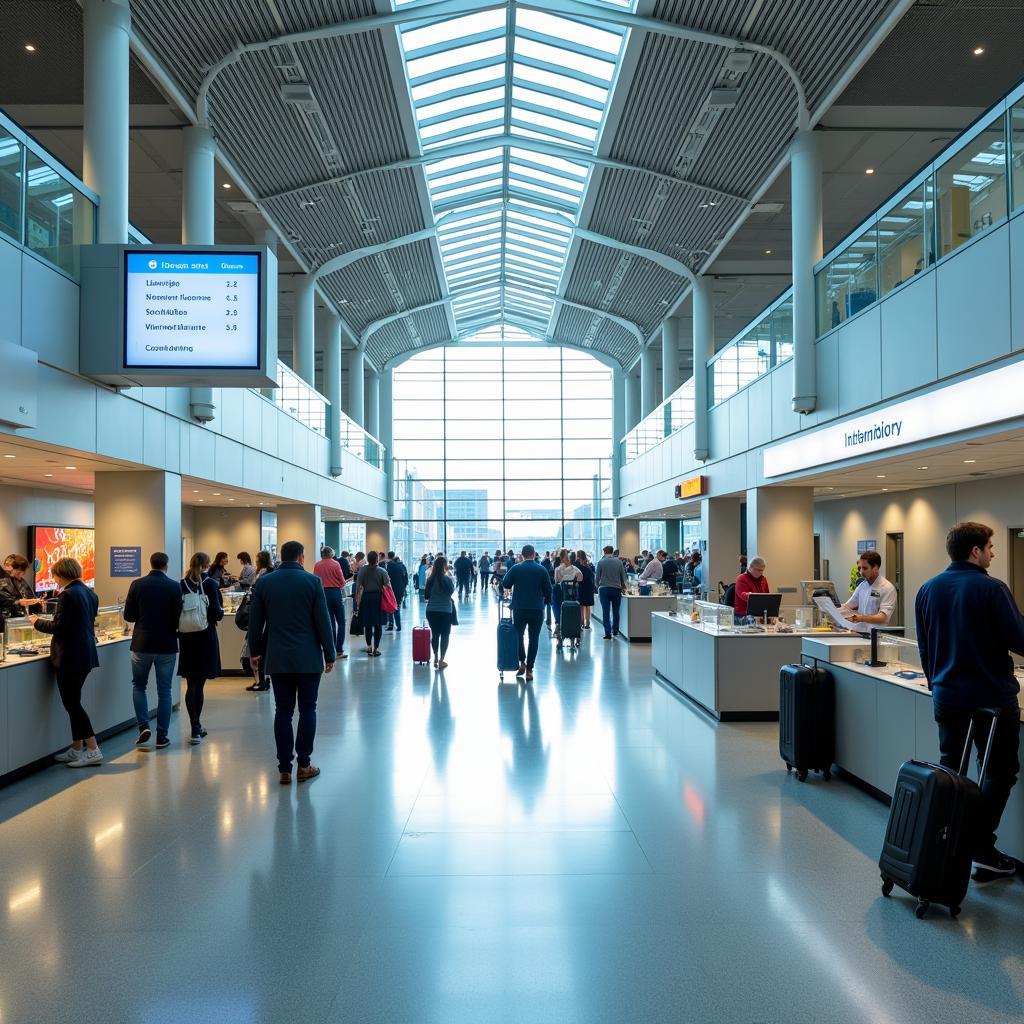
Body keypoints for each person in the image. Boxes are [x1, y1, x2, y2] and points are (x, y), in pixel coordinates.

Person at [916, 521, 1024, 882]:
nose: (994, 553)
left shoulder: (928, 589)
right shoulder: (992, 589)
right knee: (999, 772)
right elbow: (1019, 639)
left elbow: (926, 647)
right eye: (991, 547)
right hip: (990, 700)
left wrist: (937, 685)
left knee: (951, 772)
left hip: (947, 697)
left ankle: (945, 845)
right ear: (975, 551)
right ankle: (979, 845)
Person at [247, 539, 335, 785]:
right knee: (308, 709)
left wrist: (255, 652)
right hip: (308, 658)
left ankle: (284, 768)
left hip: (278, 658)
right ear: (301, 557)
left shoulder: (264, 583)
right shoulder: (312, 582)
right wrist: (329, 654)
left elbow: (255, 623)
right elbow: (323, 621)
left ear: (282, 557)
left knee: (282, 712)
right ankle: (304, 765)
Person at [31, 557, 103, 767]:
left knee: (73, 704)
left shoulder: (68, 595)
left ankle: (93, 749)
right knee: (74, 702)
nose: (53, 579)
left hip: (71, 656)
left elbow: (58, 627)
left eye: (54, 575)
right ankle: (76, 747)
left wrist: (36, 621)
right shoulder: (90, 593)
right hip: (85, 654)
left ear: (61, 574)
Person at [123, 551, 183, 749]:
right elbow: (178, 618)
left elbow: (129, 616)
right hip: (166, 645)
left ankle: (143, 727)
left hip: (142, 644)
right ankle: (162, 737)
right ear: (166, 565)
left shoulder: (137, 585)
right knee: (164, 691)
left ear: (151, 564)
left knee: (139, 686)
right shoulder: (174, 587)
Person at [177, 552, 223, 745]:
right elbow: (217, 614)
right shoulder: (211, 585)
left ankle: (194, 725)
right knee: (200, 683)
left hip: (187, 638)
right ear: (206, 565)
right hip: (206, 636)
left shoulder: (181, 584)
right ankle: (197, 728)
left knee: (191, 683)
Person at [501, 544, 552, 683]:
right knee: (534, 639)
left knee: (518, 636)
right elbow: (549, 590)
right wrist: (544, 601)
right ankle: (530, 669)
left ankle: (522, 662)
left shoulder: (516, 568)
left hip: (519, 608)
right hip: (536, 609)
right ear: (534, 554)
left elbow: (505, 583)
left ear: (522, 555)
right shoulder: (541, 569)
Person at [837, 550, 897, 634]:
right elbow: (848, 606)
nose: (861, 572)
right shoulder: (862, 586)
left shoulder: (887, 588)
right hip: (859, 633)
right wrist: (832, 608)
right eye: (859, 568)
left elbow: (883, 617)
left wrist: (860, 618)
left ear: (875, 568)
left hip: (876, 636)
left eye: (865, 568)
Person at [313, 545, 349, 661]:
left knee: (330, 623)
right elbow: (342, 581)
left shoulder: (317, 565)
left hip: (323, 594)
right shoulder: (335, 564)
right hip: (335, 592)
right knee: (341, 622)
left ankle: (332, 648)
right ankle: (339, 649)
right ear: (331, 554)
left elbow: (316, 580)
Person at [354, 550, 390, 656]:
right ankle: (376, 648)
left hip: (366, 598)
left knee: (368, 624)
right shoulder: (382, 571)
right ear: (377, 560)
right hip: (379, 598)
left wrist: (357, 601)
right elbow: (388, 586)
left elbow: (358, 587)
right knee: (378, 624)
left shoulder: (362, 571)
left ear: (368, 559)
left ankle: (369, 646)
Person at [424, 555, 456, 669]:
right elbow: (451, 592)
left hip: (431, 610)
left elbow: (426, 595)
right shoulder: (446, 578)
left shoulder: (430, 579)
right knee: (445, 635)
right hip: (445, 611)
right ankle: (442, 659)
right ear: (445, 566)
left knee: (435, 634)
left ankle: (436, 657)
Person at [595, 545, 627, 639]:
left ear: (604, 551)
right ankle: (615, 631)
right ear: (612, 552)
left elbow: (597, 577)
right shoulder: (619, 562)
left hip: (604, 589)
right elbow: (623, 577)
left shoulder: (601, 562)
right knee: (615, 611)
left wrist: (598, 586)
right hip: (616, 589)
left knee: (606, 611)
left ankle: (607, 633)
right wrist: (624, 588)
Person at [0, 554, 37, 619]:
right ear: (8, 566)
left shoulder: (20, 581)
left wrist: (35, 601)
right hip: (6, 620)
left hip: (20, 619)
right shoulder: (3, 581)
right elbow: (4, 601)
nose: (20, 576)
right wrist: (19, 602)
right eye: (19, 573)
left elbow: (30, 597)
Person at [385, 551, 409, 632]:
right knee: (397, 608)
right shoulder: (403, 567)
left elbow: (387, 579)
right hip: (400, 590)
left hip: (391, 590)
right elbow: (406, 580)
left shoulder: (390, 566)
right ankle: (398, 626)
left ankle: (391, 625)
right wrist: (403, 587)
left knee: (390, 607)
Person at [576, 550, 596, 629]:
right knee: (588, 606)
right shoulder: (590, 565)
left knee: (581, 606)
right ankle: (587, 623)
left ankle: (581, 623)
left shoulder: (578, 567)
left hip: (582, 587)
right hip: (589, 587)